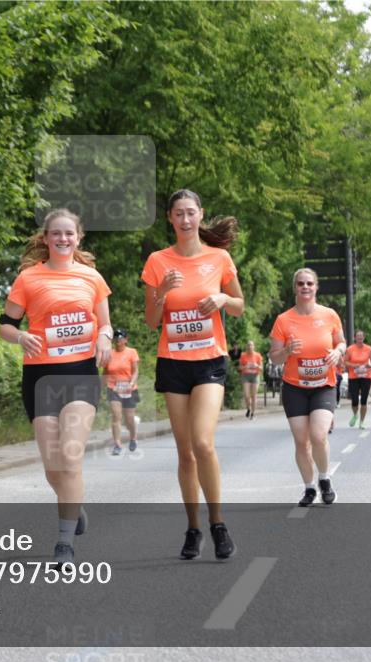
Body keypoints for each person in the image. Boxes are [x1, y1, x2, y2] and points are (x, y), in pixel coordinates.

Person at [0, 209, 112, 567]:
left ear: (78, 238)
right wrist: (21, 336)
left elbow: (105, 324)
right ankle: (72, 506)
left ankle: (64, 542)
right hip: (40, 378)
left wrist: (105, 338)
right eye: (56, 234)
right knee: (53, 467)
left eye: (69, 234)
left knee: (71, 453)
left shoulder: (92, 278)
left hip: (80, 375)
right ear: (46, 239)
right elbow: (5, 324)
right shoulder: (29, 279)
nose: (63, 239)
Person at [142, 189, 244, 560]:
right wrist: (162, 294)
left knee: (203, 443)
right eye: (178, 214)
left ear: (201, 215)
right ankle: (193, 527)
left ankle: (218, 524)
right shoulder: (157, 261)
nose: (185, 220)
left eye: (191, 213)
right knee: (184, 452)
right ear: (170, 218)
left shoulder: (219, 258)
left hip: (208, 362)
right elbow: (153, 322)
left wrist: (222, 299)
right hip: (173, 362)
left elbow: (239, 307)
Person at [269, 268, 346, 507]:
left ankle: (324, 479)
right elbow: (274, 358)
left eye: (309, 283)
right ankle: (309, 487)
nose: (305, 287)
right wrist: (287, 351)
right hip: (295, 387)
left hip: (323, 385)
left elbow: (342, 342)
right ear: (295, 288)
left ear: (316, 287)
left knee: (318, 434)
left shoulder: (330, 315)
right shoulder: (283, 320)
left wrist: (337, 352)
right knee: (302, 441)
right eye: (301, 283)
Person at [104, 329, 140, 455]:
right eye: (116, 337)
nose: (118, 340)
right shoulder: (109, 354)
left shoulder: (132, 352)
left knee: (129, 418)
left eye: (121, 337)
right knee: (116, 416)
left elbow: (135, 371)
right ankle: (117, 444)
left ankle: (133, 437)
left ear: (126, 339)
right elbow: (105, 372)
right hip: (113, 388)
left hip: (129, 388)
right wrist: (103, 387)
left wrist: (132, 383)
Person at [344, 330, 371, 429]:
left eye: (361, 336)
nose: (360, 338)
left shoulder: (369, 349)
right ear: (355, 338)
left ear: (363, 338)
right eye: (358, 336)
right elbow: (346, 362)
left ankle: (362, 422)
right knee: (355, 400)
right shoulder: (350, 349)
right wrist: (354, 365)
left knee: (364, 400)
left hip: (366, 376)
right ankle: (355, 414)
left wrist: (369, 365)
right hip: (354, 377)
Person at [238, 340, 264, 420]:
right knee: (246, 395)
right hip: (246, 376)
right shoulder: (243, 355)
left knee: (254, 396)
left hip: (255, 376)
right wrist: (245, 366)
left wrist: (256, 365)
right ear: (246, 347)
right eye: (248, 345)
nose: (250, 347)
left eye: (251, 345)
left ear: (254, 347)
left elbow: (261, 368)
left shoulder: (258, 355)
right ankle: (248, 408)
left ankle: (253, 413)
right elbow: (239, 368)